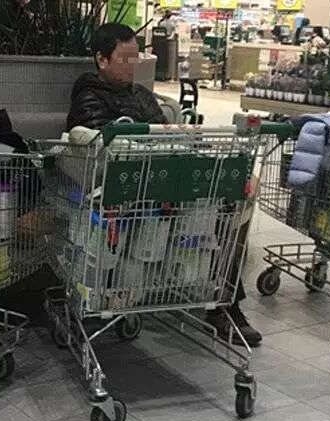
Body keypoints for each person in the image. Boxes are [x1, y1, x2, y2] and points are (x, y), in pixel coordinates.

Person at [66, 23, 262, 347]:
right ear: (102, 60)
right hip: (130, 188)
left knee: (232, 197)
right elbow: (102, 151)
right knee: (210, 202)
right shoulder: (88, 97)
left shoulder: (141, 95)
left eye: (136, 58)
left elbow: (167, 133)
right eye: (124, 59)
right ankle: (222, 307)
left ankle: (225, 303)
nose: (132, 66)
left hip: (164, 176)